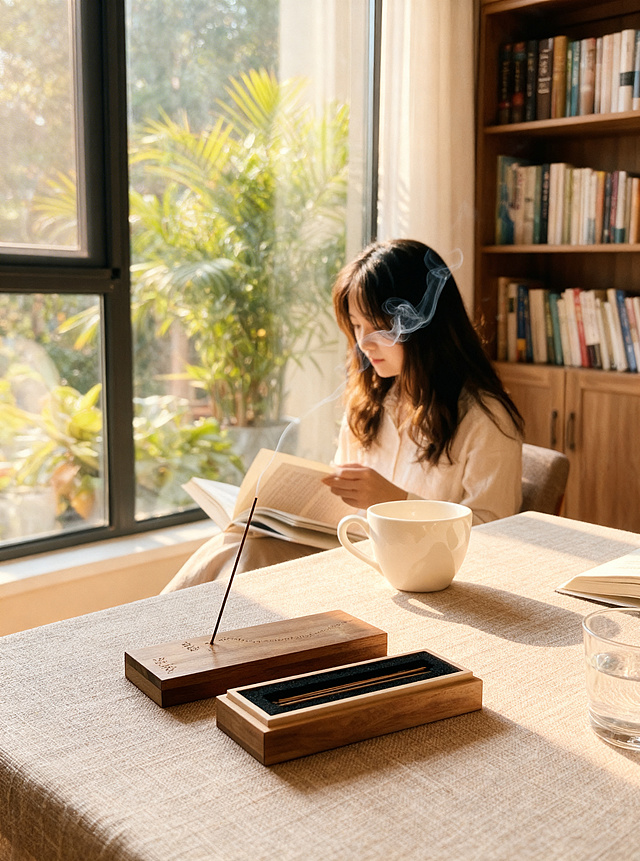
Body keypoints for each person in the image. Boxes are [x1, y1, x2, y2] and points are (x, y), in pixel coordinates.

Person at [161, 239, 522, 592]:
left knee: (246, 555)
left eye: (377, 326)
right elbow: (340, 505)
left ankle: (149, 638)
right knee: (243, 540)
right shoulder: (370, 402)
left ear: (422, 325)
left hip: (418, 578)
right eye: (357, 327)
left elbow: (497, 538)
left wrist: (395, 500)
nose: (363, 344)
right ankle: (160, 638)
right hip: (353, 555)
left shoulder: (485, 419)